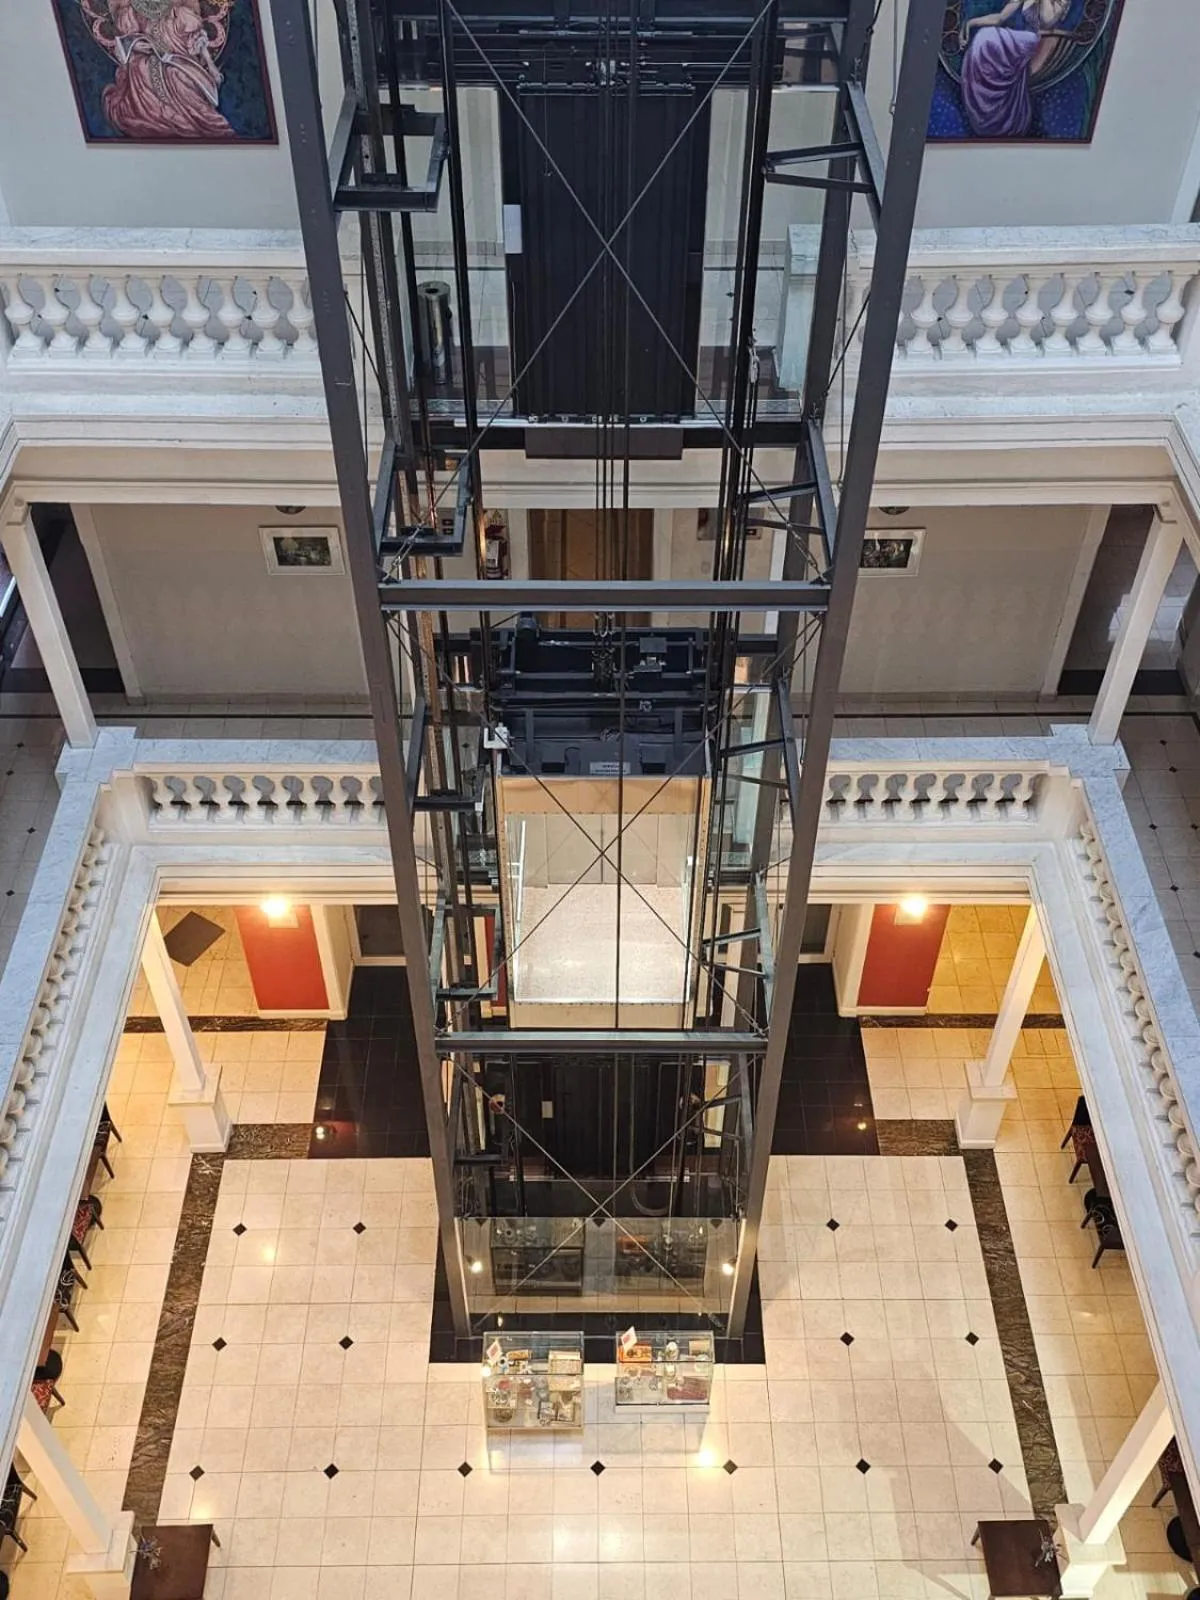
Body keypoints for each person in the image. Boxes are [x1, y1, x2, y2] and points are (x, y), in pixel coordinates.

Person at [86, 0, 235, 140]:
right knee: (141, 69)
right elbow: (124, 39)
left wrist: (211, 66)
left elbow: (197, 40)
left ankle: (197, 120)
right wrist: (134, 45)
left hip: (179, 62)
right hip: (143, 60)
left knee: (178, 76)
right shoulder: (131, 11)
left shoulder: (179, 12)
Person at [957, 0, 1075, 138]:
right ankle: (986, 100)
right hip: (1021, 39)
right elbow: (999, 18)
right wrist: (970, 23)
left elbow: (1047, 21)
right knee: (983, 38)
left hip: (1037, 41)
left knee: (987, 39)